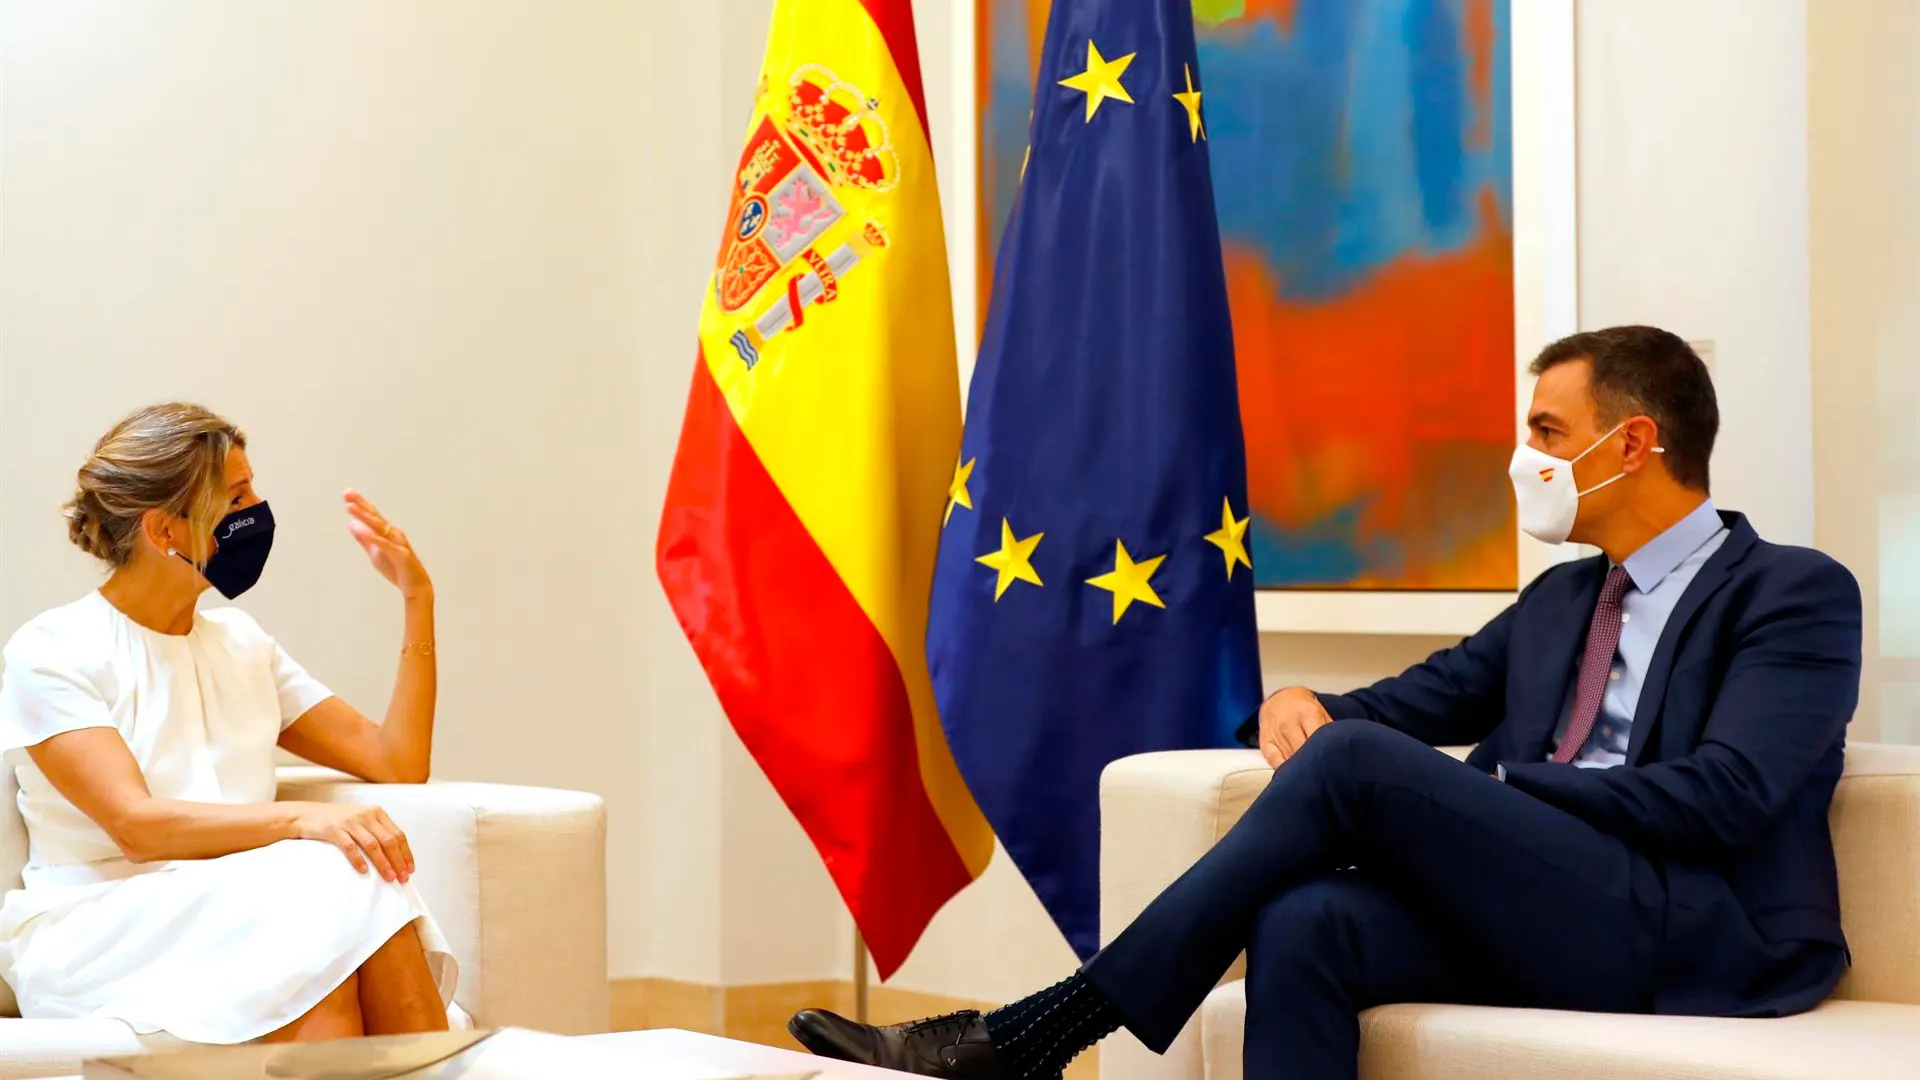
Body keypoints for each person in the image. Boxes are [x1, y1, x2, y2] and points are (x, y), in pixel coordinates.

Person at [788, 326, 1862, 1080]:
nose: (1523, 458)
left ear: (1632, 444)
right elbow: (1410, 703)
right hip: (1564, 910)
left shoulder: (1794, 591)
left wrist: (1499, 796)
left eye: (1547, 430)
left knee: (1352, 766)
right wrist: (1295, 702)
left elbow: (1730, 797)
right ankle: (1031, 1045)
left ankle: (1031, 1037)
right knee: (1306, 920)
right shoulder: (1563, 600)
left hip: (1700, 929)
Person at [0, 403, 457, 1045]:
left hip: (253, 904)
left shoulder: (242, 644)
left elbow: (396, 762)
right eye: (237, 497)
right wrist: (302, 822)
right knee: (330, 874)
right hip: (98, 923)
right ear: (164, 530)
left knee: (334, 889)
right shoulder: (52, 649)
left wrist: (418, 600)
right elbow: (135, 826)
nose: (258, 511)